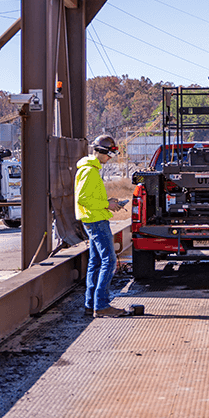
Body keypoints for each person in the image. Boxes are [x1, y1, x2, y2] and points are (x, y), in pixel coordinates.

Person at [75, 134, 128, 318]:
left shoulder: (91, 169)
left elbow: (90, 198)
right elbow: (82, 198)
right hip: (95, 220)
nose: (109, 158)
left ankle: (91, 304)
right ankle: (102, 305)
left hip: (94, 218)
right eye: (109, 155)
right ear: (102, 152)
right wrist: (107, 205)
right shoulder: (89, 171)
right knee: (109, 261)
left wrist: (108, 201)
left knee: (96, 262)